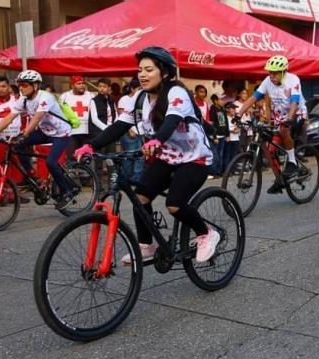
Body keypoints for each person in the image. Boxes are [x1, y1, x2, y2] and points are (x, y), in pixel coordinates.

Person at [74, 46, 219, 264]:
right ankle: (146, 245)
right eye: (140, 69)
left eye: (149, 69)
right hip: (165, 157)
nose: (142, 74)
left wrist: (156, 140)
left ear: (165, 73)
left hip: (194, 158)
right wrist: (91, 146)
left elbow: (171, 120)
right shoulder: (139, 98)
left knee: (175, 205)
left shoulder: (176, 92)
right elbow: (120, 125)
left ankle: (206, 233)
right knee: (140, 199)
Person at [0, 70, 75, 206]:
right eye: (19, 85)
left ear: (35, 86)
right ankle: (35, 178)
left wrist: (24, 134)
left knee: (51, 162)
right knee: (17, 147)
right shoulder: (23, 100)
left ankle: (67, 191)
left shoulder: (45, 97)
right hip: (45, 132)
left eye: (25, 85)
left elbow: (37, 118)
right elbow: (9, 118)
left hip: (61, 133)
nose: (21, 88)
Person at [235, 55, 307, 193]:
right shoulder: (267, 81)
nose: (272, 75)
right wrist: (239, 114)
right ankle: (279, 180)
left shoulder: (293, 80)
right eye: (270, 72)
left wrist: (290, 118)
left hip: (297, 113)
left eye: (275, 73)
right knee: (268, 148)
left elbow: (295, 100)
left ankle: (292, 162)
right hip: (279, 115)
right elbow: (253, 98)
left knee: (283, 130)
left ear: (283, 72)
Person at [89, 77, 118, 180]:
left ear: (109, 88)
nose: (101, 89)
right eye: (100, 86)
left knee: (111, 159)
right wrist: (107, 129)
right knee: (99, 161)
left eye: (104, 87)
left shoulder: (111, 100)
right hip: (99, 134)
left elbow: (116, 115)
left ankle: (112, 183)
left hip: (111, 134)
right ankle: (98, 185)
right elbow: (94, 119)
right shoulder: (94, 101)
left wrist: (114, 128)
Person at [59, 75, 94, 158]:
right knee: (71, 157)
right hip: (71, 132)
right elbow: (60, 113)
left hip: (87, 132)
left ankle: (85, 171)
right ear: (72, 85)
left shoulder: (91, 95)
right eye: (78, 83)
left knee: (85, 157)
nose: (82, 85)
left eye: (83, 83)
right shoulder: (65, 96)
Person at [117, 78, 144, 182]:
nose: (141, 90)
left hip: (140, 131)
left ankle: (136, 178)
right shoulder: (124, 99)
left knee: (140, 157)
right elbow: (122, 115)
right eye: (139, 88)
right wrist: (130, 130)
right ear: (132, 89)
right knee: (129, 156)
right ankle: (125, 179)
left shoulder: (143, 99)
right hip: (128, 131)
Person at [208, 94, 228, 177]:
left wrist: (227, 134)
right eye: (220, 100)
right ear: (215, 101)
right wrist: (215, 136)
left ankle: (219, 171)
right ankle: (213, 171)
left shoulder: (222, 110)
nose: (222, 101)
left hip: (223, 135)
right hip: (216, 136)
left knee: (221, 154)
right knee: (214, 155)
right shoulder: (212, 110)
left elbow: (226, 123)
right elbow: (212, 124)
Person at [222, 102, 241, 173]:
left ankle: (233, 170)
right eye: (232, 108)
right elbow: (224, 128)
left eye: (235, 108)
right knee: (227, 155)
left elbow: (239, 126)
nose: (234, 110)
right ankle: (226, 170)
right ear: (227, 109)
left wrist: (238, 129)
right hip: (229, 138)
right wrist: (232, 130)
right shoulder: (225, 117)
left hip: (236, 138)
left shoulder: (235, 118)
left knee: (234, 155)